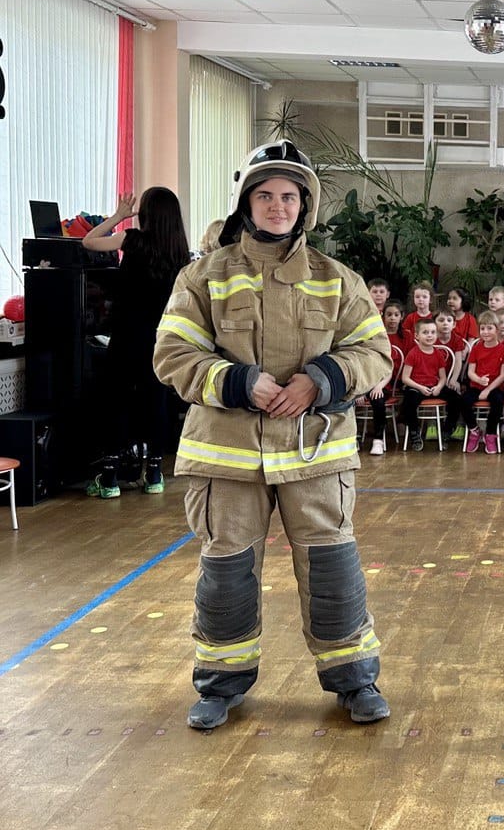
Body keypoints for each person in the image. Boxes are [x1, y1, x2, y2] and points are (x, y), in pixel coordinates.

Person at [153, 139, 392, 730]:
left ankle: (355, 680)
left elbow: (375, 353)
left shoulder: (338, 280)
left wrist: (321, 380)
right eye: (265, 195)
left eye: (289, 196)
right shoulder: (202, 277)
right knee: (227, 572)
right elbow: (172, 353)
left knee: (332, 569)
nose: (278, 206)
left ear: (305, 206)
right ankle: (220, 684)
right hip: (226, 458)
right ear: (246, 203)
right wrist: (237, 382)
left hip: (315, 454)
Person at [83, 186, 190, 497]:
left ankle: (109, 479)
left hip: (126, 336)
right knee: (156, 402)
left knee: (116, 402)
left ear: (146, 213)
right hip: (161, 340)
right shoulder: (180, 252)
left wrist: (118, 216)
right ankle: (154, 474)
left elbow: (89, 242)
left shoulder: (132, 240)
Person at [400, 318, 458, 452]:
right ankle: (414, 432)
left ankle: (447, 431)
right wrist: (420, 387)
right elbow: (405, 378)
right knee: (409, 401)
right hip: (417, 387)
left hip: (434, 387)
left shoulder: (438, 354)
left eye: (433, 332)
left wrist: (439, 387)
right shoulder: (413, 353)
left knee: (456, 398)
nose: (430, 335)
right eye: (425, 332)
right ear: (417, 336)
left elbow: (443, 377)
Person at [460, 310, 504, 454]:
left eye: (489, 328)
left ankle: (490, 434)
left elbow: (503, 375)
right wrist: (479, 379)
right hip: (476, 386)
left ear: (497, 329)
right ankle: (474, 430)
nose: (485, 332)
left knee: (497, 401)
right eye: (482, 328)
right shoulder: (476, 349)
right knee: (463, 400)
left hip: (495, 387)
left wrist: (488, 389)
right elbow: (470, 372)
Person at [363, 301, 408, 456]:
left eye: (396, 315)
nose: (392, 318)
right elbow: (363, 369)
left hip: (387, 383)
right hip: (367, 382)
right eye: (389, 315)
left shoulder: (405, 336)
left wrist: (379, 386)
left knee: (378, 399)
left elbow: (388, 369)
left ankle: (378, 440)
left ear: (401, 317)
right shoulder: (374, 338)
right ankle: (353, 438)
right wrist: (359, 392)